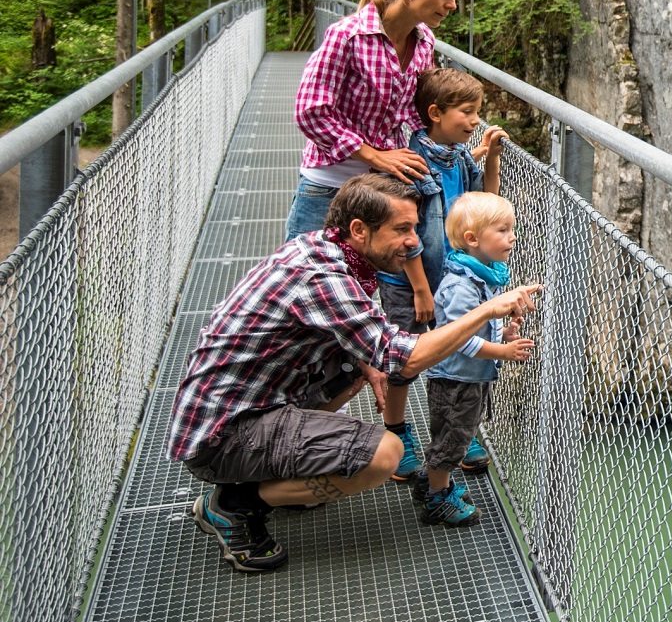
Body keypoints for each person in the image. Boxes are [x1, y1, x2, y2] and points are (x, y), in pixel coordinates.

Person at [168, 173, 539, 572]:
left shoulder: (325, 251)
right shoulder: (324, 278)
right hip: (224, 434)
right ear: (359, 230)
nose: (414, 241)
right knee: (384, 455)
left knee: (359, 371)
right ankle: (232, 505)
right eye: (401, 229)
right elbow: (402, 358)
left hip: (245, 404)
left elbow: (353, 335)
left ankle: (280, 477)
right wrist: (487, 310)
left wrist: (366, 364)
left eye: (414, 227)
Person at [287, 0, 462, 481]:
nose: (452, 4)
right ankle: (285, 431)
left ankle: (409, 431)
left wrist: (455, 146)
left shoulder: (424, 41)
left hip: (390, 196)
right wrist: (372, 153)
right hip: (332, 189)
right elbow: (309, 111)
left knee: (403, 313)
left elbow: (417, 116)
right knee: (306, 308)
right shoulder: (347, 35)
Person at [377, 67, 508, 472]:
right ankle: (396, 429)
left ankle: (453, 433)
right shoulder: (414, 166)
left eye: (477, 112)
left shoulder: (457, 158)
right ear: (435, 113)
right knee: (407, 359)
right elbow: (408, 234)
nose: (474, 121)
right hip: (409, 280)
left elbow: (483, 205)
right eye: (467, 112)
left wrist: (491, 159)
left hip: (449, 280)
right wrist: (419, 289)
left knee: (449, 352)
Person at [416, 192, 535, 525]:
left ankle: (432, 483)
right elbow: (460, 340)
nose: (512, 237)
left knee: (456, 435)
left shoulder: (485, 276)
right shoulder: (461, 286)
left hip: (471, 377)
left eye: (511, 228)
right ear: (472, 238)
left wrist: (505, 334)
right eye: (502, 230)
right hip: (456, 380)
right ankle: (438, 499)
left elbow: (483, 324)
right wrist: (502, 352)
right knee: (454, 437)